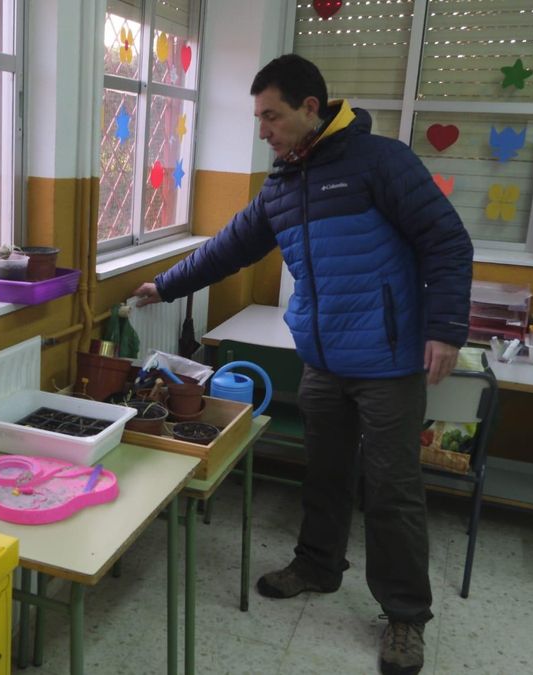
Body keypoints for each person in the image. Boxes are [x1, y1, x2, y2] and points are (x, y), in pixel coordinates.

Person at [133, 54, 473, 675]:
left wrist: (446, 329)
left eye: (273, 116)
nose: (264, 129)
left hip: (388, 359)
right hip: (322, 358)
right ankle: (318, 566)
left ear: (311, 109)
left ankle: (404, 616)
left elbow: (446, 241)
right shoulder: (284, 184)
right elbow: (229, 247)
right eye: (259, 117)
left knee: (393, 491)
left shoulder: (381, 163)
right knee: (324, 471)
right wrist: (165, 286)